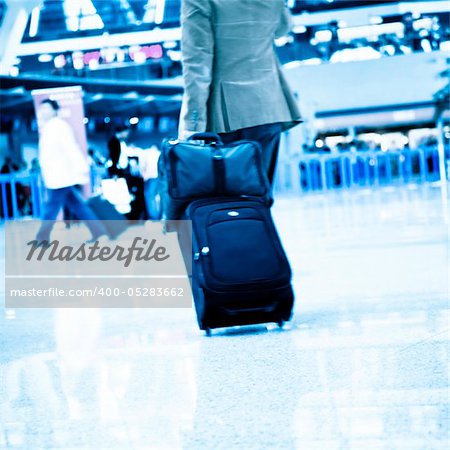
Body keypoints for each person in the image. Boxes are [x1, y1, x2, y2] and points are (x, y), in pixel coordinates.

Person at [178, 0, 302, 188]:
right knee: (260, 196)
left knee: (228, 200)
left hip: (226, 116)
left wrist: (193, 123)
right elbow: (282, 29)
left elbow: (197, 63)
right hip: (270, 107)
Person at [35, 99, 107, 242]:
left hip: (61, 176)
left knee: (51, 208)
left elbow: (70, 148)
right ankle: (99, 232)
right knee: (77, 205)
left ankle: (42, 238)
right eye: (42, 108)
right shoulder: (49, 127)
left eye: (47, 108)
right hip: (56, 176)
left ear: (55, 110)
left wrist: (81, 169)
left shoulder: (59, 126)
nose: (43, 111)